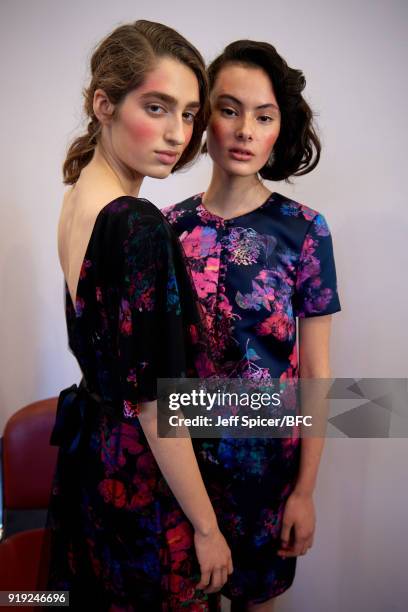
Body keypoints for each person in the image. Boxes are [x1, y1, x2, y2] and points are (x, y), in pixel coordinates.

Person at [40, 20, 233, 611]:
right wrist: (206, 528)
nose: (178, 134)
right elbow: (156, 403)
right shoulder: (138, 223)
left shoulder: (80, 199)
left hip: (97, 461)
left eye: (189, 113)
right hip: (142, 476)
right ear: (104, 104)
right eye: (157, 107)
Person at [163, 40, 341, 611]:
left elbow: (315, 370)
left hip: (268, 473)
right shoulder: (166, 229)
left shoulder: (305, 230)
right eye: (229, 109)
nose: (244, 130)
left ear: (279, 129)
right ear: (204, 118)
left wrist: (305, 492)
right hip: (177, 468)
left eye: (263, 116)